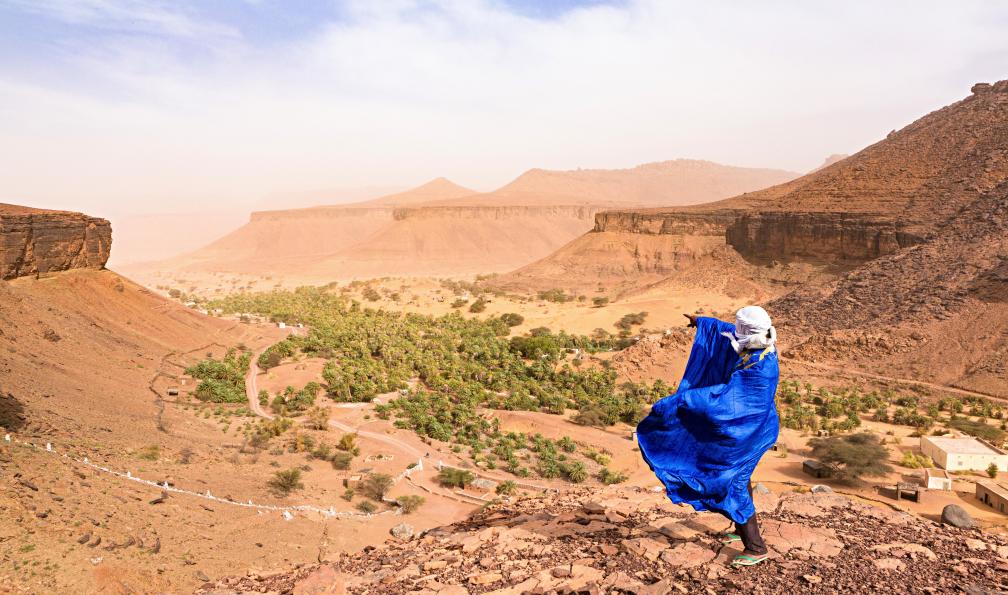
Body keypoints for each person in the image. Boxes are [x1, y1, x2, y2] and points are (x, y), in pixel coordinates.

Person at [636, 306, 780, 567]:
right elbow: (727, 331)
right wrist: (701, 322)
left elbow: (729, 403)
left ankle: (756, 548)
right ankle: (740, 529)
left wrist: (683, 400)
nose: (736, 334)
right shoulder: (759, 345)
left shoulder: (761, 369)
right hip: (752, 430)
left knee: (731, 483)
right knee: (740, 477)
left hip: (748, 432)